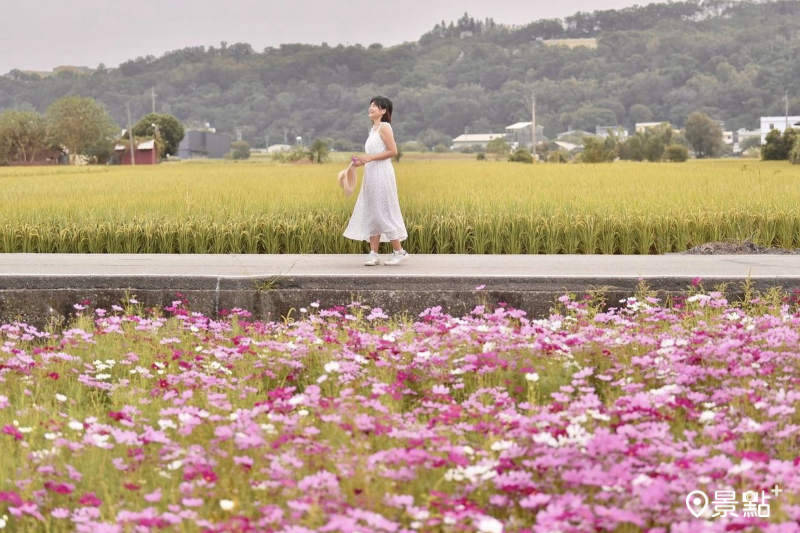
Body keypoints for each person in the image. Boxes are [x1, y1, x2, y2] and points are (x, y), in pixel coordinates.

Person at [343, 96, 410, 266]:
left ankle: (399, 251)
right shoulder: (373, 130)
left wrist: (370, 158)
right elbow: (373, 155)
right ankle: (373, 254)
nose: (370, 108)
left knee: (383, 211)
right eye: (370, 105)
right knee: (373, 211)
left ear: (383, 111)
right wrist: (360, 162)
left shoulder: (384, 127)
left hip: (382, 174)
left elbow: (393, 151)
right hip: (371, 174)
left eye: (375, 106)